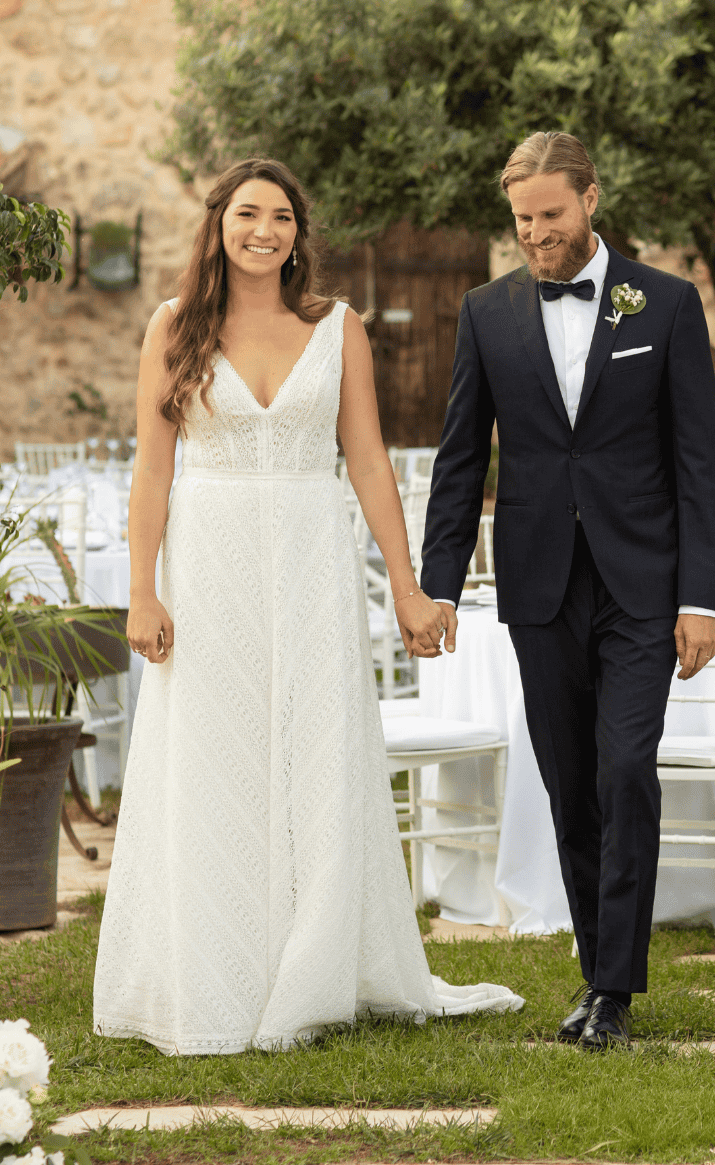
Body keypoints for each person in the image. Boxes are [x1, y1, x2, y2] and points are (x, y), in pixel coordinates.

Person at [93, 158, 522, 1055]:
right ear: (218, 224)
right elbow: (153, 469)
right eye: (248, 213)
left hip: (309, 561)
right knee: (216, 758)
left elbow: (367, 461)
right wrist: (142, 591)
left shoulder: (337, 328)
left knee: (317, 754)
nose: (265, 230)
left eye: (282, 217)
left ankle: (315, 964)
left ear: (299, 233)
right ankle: (218, 966)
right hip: (206, 567)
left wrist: (407, 585)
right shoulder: (172, 327)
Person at [420, 132, 715, 1050]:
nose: (536, 234)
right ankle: (600, 977)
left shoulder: (666, 304)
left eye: (551, 215)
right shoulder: (486, 312)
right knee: (568, 785)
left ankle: (617, 993)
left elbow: (696, 462)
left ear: (591, 198)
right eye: (522, 219)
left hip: (644, 583)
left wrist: (700, 597)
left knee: (625, 770)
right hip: (538, 583)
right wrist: (438, 585)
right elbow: (461, 455)